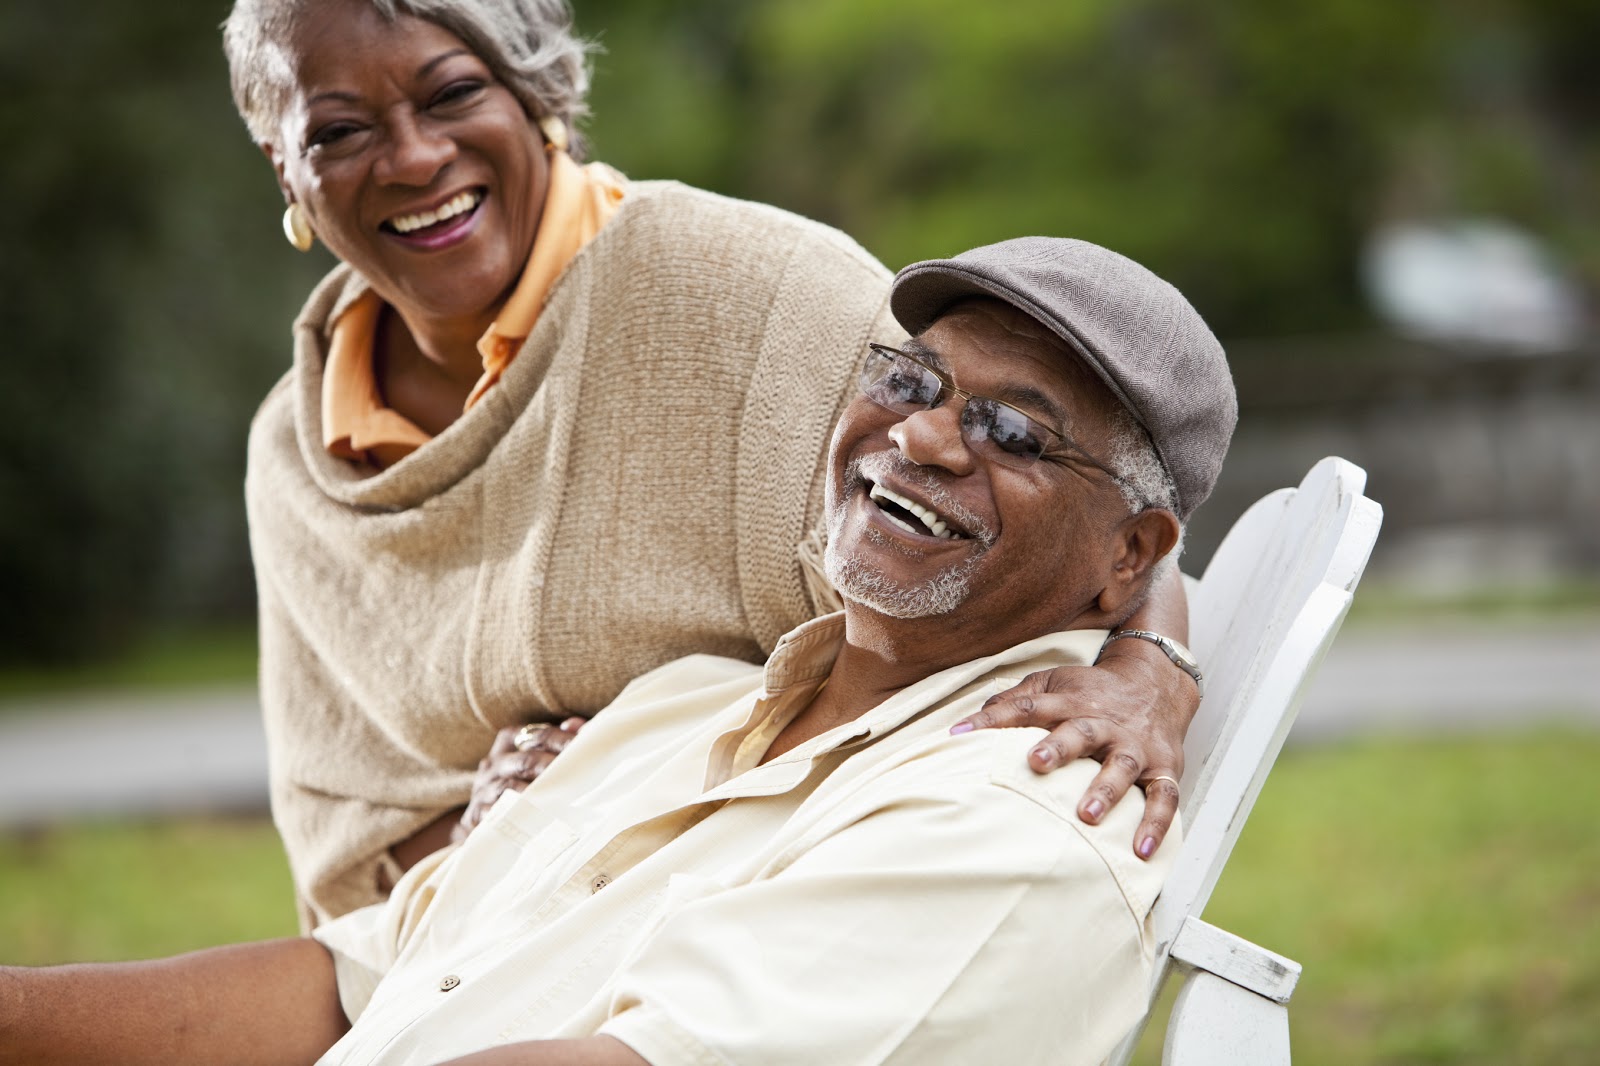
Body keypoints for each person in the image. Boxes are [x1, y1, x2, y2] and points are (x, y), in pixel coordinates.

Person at [0, 235, 1235, 1066]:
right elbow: (353, 986)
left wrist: (1155, 666)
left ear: (1131, 555)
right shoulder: (677, 707)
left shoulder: (1015, 826)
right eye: (909, 378)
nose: (921, 440)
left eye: (1011, 429)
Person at [224, 0, 1205, 929]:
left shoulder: (754, 290)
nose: (412, 157)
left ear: (535, 92)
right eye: (338, 131)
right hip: (466, 959)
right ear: (282, 168)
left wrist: (1147, 669)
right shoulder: (294, 457)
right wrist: (497, 839)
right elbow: (348, 824)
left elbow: (1079, 515)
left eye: (451, 94)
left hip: (774, 911)